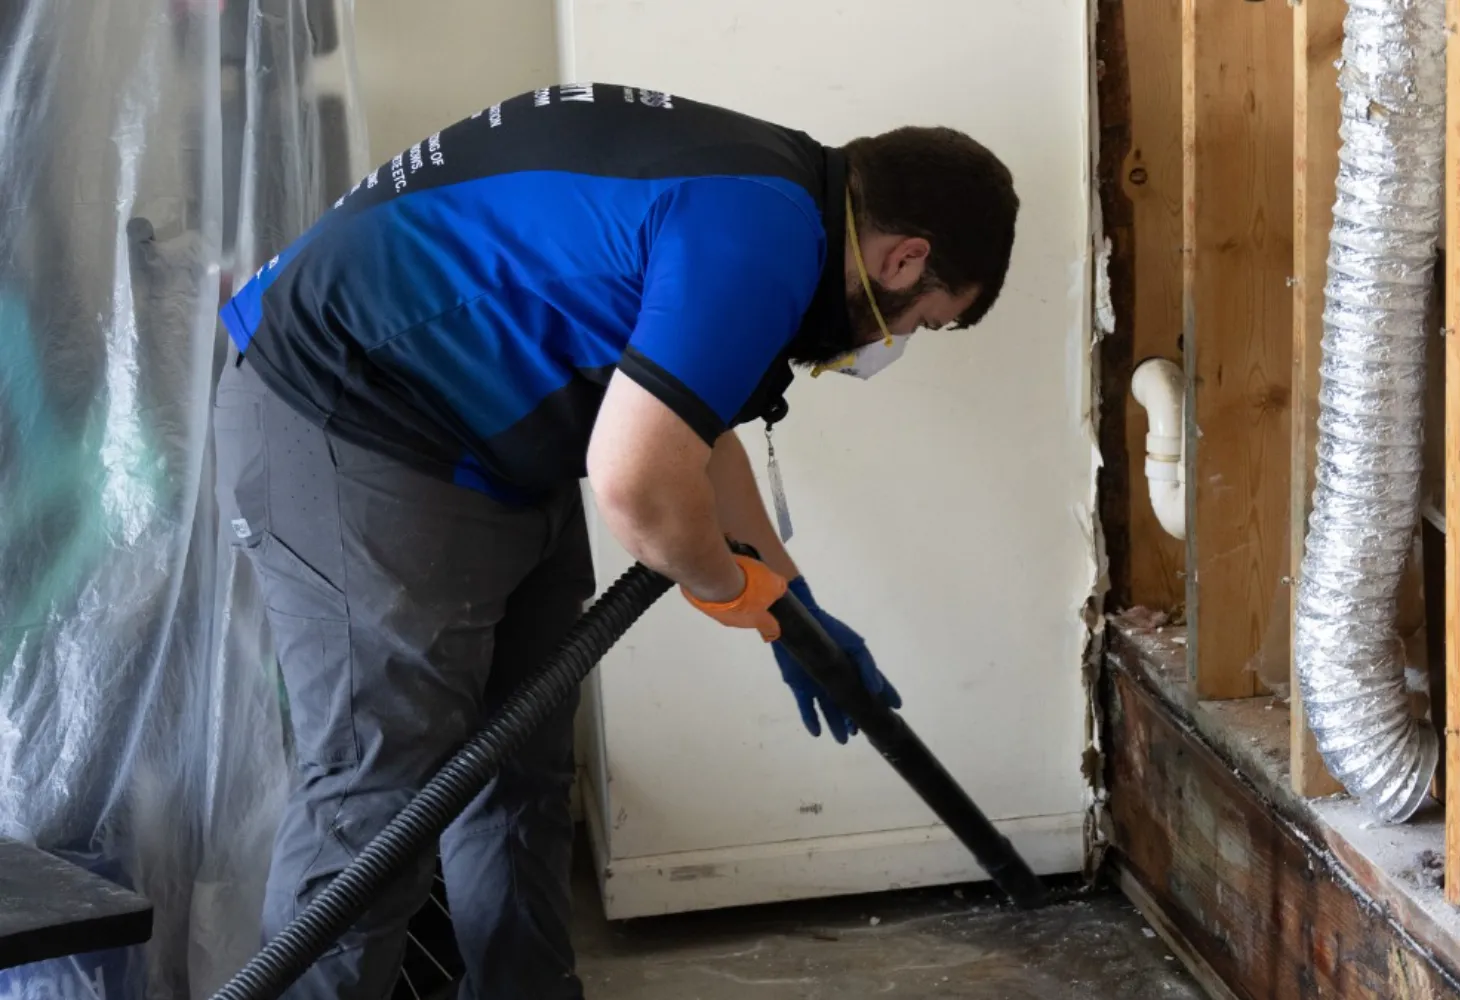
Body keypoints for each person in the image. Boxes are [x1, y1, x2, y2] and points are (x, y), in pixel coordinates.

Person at [212, 81, 1018, 999]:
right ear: (906, 259)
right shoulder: (764, 238)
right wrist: (734, 591)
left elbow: (693, 432)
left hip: (482, 438)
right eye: (919, 320)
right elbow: (640, 487)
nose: (895, 340)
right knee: (380, 801)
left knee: (519, 769)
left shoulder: (776, 196)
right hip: (347, 415)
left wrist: (793, 608)